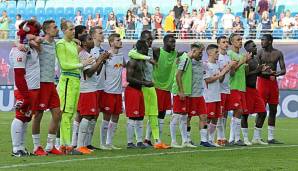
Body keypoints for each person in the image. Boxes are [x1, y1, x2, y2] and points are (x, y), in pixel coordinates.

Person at [56, 20, 94, 155]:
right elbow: (64, 65)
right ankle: (65, 146)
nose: (73, 32)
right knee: (66, 114)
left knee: (70, 114)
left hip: (75, 80)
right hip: (67, 79)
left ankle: (66, 145)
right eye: (71, 29)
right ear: (64, 31)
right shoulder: (61, 44)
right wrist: (82, 64)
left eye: (73, 29)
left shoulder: (73, 44)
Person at [128, 30, 170, 149]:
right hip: (140, 87)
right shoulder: (135, 51)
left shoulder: (153, 50)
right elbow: (132, 54)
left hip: (150, 86)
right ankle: (137, 141)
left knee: (153, 114)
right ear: (141, 39)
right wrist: (148, 58)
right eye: (148, 39)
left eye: (151, 39)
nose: (150, 42)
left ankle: (157, 141)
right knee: (138, 116)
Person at [9, 20, 41, 157]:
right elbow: (18, 75)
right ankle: (16, 148)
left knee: (26, 118)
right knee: (20, 117)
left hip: (33, 88)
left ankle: (21, 146)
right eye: (34, 32)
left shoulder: (29, 47)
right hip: (24, 89)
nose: (37, 35)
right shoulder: (19, 49)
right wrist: (25, 96)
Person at [32, 20, 63, 156]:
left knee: (57, 114)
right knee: (38, 115)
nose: (57, 29)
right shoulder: (41, 42)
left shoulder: (56, 44)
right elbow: (26, 42)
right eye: (54, 27)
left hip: (51, 83)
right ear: (47, 30)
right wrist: (35, 40)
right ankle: (36, 146)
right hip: (41, 83)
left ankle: (50, 146)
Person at [76, 34, 109, 154]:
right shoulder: (83, 54)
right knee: (87, 116)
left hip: (92, 88)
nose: (92, 41)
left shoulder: (88, 54)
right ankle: (80, 146)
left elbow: (97, 71)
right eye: (90, 39)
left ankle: (83, 145)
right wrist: (100, 59)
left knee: (90, 116)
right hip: (86, 89)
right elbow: (89, 72)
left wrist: (102, 60)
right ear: (84, 43)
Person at [170, 43, 207, 148]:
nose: (201, 55)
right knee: (176, 116)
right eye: (200, 52)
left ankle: (185, 141)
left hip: (186, 92)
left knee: (183, 117)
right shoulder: (185, 59)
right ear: (194, 51)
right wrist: (181, 91)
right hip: (180, 92)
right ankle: (173, 141)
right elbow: (178, 75)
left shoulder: (188, 59)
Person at [255, 34, 286, 144]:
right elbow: (256, 70)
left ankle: (271, 138)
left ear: (270, 41)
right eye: (261, 40)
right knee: (261, 110)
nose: (261, 42)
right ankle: (256, 137)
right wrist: (266, 73)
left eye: (263, 40)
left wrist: (276, 74)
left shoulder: (278, 53)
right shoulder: (259, 53)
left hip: (273, 84)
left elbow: (283, 70)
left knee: (273, 110)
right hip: (262, 83)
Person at [152, 34, 183, 143]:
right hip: (157, 87)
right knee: (156, 114)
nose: (173, 44)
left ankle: (154, 139)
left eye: (174, 42)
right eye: (171, 42)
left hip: (167, 89)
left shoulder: (175, 54)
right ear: (164, 42)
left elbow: (184, 54)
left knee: (162, 114)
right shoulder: (158, 51)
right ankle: (153, 140)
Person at [204, 44, 233, 147]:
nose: (218, 54)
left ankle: (211, 140)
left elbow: (220, 80)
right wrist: (222, 73)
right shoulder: (206, 65)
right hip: (209, 96)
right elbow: (208, 80)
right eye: (216, 52)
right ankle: (205, 139)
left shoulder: (216, 65)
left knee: (216, 118)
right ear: (210, 53)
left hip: (217, 95)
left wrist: (225, 71)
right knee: (208, 118)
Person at [125, 40, 153, 149]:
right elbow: (129, 78)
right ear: (141, 49)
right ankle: (129, 142)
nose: (147, 50)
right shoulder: (132, 62)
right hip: (132, 90)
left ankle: (139, 141)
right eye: (146, 48)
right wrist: (145, 83)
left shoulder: (141, 61)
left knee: (140, 116)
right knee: (132, 116)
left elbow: (139, 76)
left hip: (139, 90)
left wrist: (146, 81)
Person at [101, 33, 126, 149]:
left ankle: (109, 142)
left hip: (118, 91)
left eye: (120, 40)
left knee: (116, 117)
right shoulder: (106, 56)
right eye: (117, 40)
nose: (120, 42)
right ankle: (102, 143)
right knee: (106, 117)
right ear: (111, 43)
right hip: (108, 91)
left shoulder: (121, 56)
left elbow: (125, 66)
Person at [227, 33, 251, 146]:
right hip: (233, 87)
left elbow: (245, 73)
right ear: (231, 42)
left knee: (238, 113)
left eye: (241, 39)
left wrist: (246, 63)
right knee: (238, 111)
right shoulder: (229, 54)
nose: (240, 41)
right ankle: (235, 139)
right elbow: (231, 73)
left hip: (241, 87)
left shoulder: (242, 56)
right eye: (238, 40)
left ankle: (232, 139)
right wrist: (242, 61)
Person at [242, 40, 268, 145]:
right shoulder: (245, 59)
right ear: (247, 48)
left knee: (263, 112)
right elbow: (244, 75)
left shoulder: (256, 59)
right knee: (245, 114)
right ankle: (245, 138)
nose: (256, 48)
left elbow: (257, 73)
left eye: (255, 46)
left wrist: (264, 71)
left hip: (254, 90)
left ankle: (256, 138)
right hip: (246, 89)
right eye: (253, 46)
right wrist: (258, 70)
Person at [216, 36, 234, 146]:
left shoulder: (228, 57)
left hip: (227, 89)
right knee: (219, 114)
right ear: (218, 44)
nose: (226, 44)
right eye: (223, 42)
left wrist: (232, 68)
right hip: (219, 89)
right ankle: (219, 137)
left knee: (224, 115)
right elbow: (219, 76)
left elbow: (231, 75)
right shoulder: (217, 57)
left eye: (227, 42)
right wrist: (227, 67)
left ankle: (222, 136)